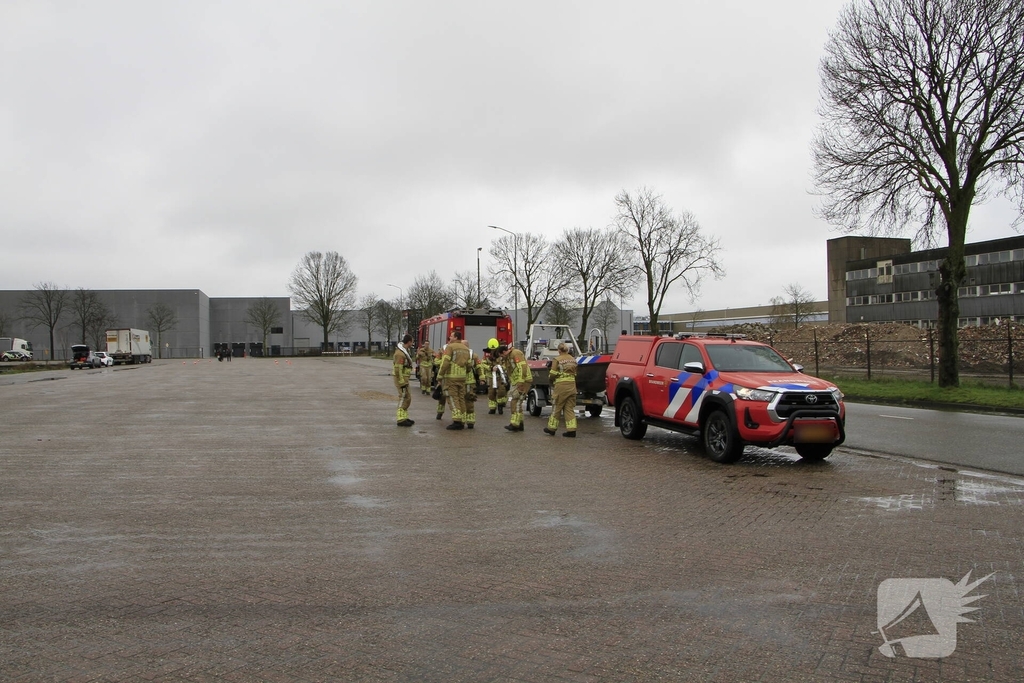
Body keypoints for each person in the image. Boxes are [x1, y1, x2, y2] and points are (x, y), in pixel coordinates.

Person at [437, 331, 472, 430]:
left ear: (456, 337)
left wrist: (439, 376)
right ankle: (462, 419)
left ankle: (457, 421)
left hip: (451, 378)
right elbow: (469, 366)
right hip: (462, 378)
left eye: (451, 336)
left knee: (452, 398)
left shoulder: (450, 347)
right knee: (461, 398)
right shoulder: (466, 349)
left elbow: (445, 363)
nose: (449, 338)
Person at [543, 342, 578, 437]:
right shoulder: (573, 359)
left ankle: (551, 428)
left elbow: (553, 373)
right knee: (569, 408)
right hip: (572, 386)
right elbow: (575, 373)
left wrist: (551, 379)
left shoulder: (557, 359)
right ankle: (571, 430)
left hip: (561, 387)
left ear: (559, 350)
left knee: (556, 407)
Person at [502, 342, 532, 432]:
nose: (501, 357)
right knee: (517, 401)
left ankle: (515, 424)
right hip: (519, 381)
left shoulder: (515, 353)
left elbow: (522, 367)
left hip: (523, 381)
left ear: (504, 352)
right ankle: (519, 424)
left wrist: (520, 382)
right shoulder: (509, 356)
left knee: (516, 401)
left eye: (501, 355)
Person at [392, 334, 416, 427]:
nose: (412, 343)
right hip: (401, 379)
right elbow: (398, 369)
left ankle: (404, 417)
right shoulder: (400, 354)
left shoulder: (404, 351)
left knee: (408, 397)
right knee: (403, 397)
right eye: (412, 341)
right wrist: (401, 382)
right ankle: (400, 419)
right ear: (409, 342)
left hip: (405, 378)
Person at [481, 339, 508, 414]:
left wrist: (500, 368)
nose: (493, 351)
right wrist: (490, 368)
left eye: (494, 349)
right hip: (491, 377)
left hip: (500, 376)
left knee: (501, 391)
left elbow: (505, 364)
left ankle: (500, 405)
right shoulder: (486, 356)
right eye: (491, 349)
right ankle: (492, 408)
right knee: (491, 392)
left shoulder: (501, 356)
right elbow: (482, 364)